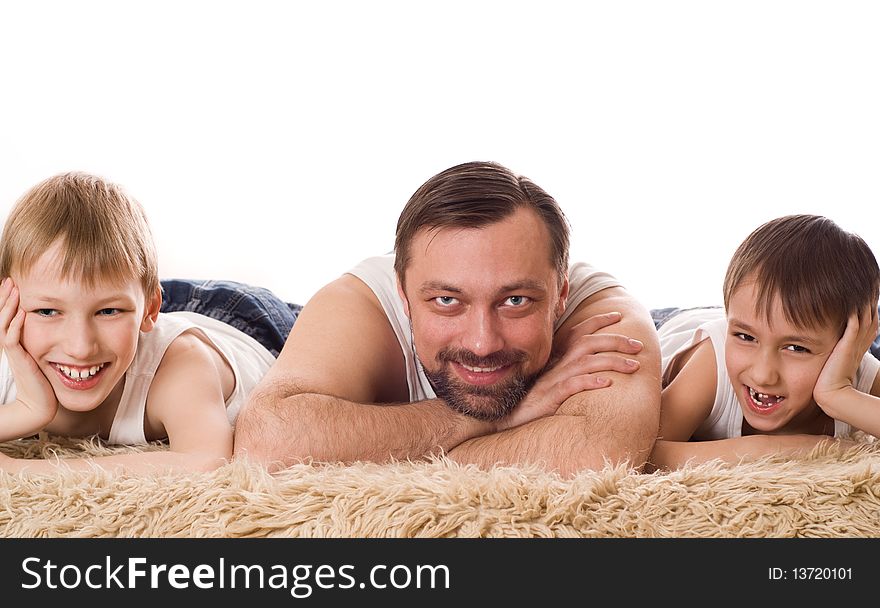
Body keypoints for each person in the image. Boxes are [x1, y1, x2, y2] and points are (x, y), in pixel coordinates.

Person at [234, 161, 662, 476]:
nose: (482, 343)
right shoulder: (361, 301)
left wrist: (372, 450)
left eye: (515, 301)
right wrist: (486, 418)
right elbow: (266, 443)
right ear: (403, 294)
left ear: (561, 293)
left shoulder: (604, 314)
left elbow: (596, 455)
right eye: (446, 301)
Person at [0, 172, 290, 474]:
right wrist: (28, 410)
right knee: (114, 291)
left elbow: (207, 461)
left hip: (244, 321)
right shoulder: (10, 347)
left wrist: (16, 469)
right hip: (138, 309)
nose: (80, 347)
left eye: (107, 311)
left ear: (150, 310)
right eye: (47, 312)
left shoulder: (181, 366)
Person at [649, 214, 880, 471]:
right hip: (673, 324)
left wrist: (836, 396)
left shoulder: (860, 373)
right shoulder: (713, 364)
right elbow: (643, 454)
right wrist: (777, 449)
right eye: (745, 337)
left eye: (796, 348)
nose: (763, 375)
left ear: (849, 343)